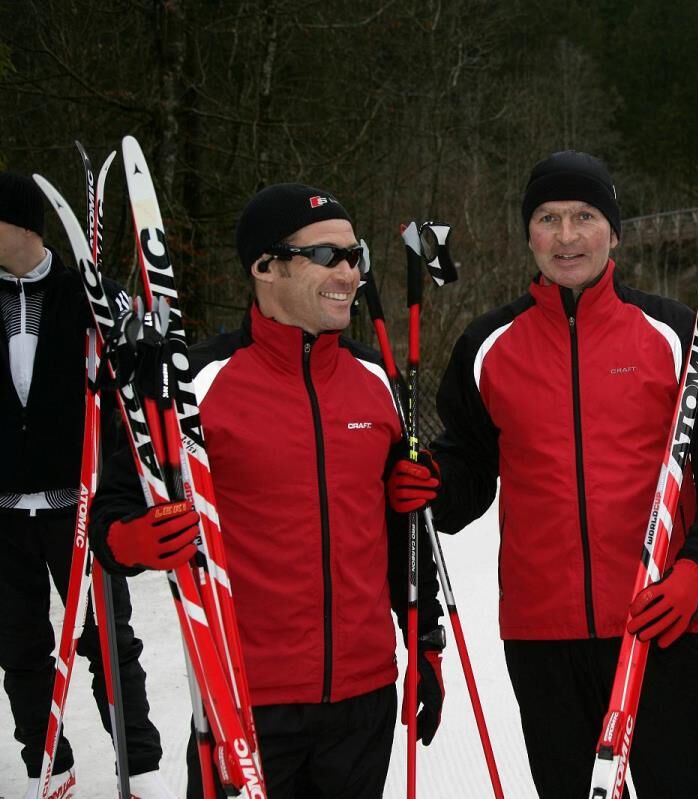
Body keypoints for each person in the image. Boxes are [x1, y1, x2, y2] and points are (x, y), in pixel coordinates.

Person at [391, 150, 698, 798]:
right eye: (549, 218)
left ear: (614, 230)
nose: (567, 237)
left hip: (661, 622)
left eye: (585, 216)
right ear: (528, 233)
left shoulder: (676, 336)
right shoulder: (488, 346)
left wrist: (695, 571)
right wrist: (435, 484)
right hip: (543, 638)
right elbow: (470, 465)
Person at [89, 183, 445, 799]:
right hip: (244, 698)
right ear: (264, 267)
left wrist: (426, 638)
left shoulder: (376, 381)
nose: (349, 272)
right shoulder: (196, 383)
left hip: (363, 700)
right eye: (326, 256)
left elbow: (402, 532)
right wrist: (132, 539)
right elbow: (109, 517)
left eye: (355, 255)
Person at [0, 171, 175, 799]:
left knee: (109, 641)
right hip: (3, 510)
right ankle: (46, 762)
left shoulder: (90, 296)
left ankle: (142, 767)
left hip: (78, 506)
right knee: (19, 646)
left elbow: (141, 366)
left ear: (20, 225)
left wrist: (130, 343)